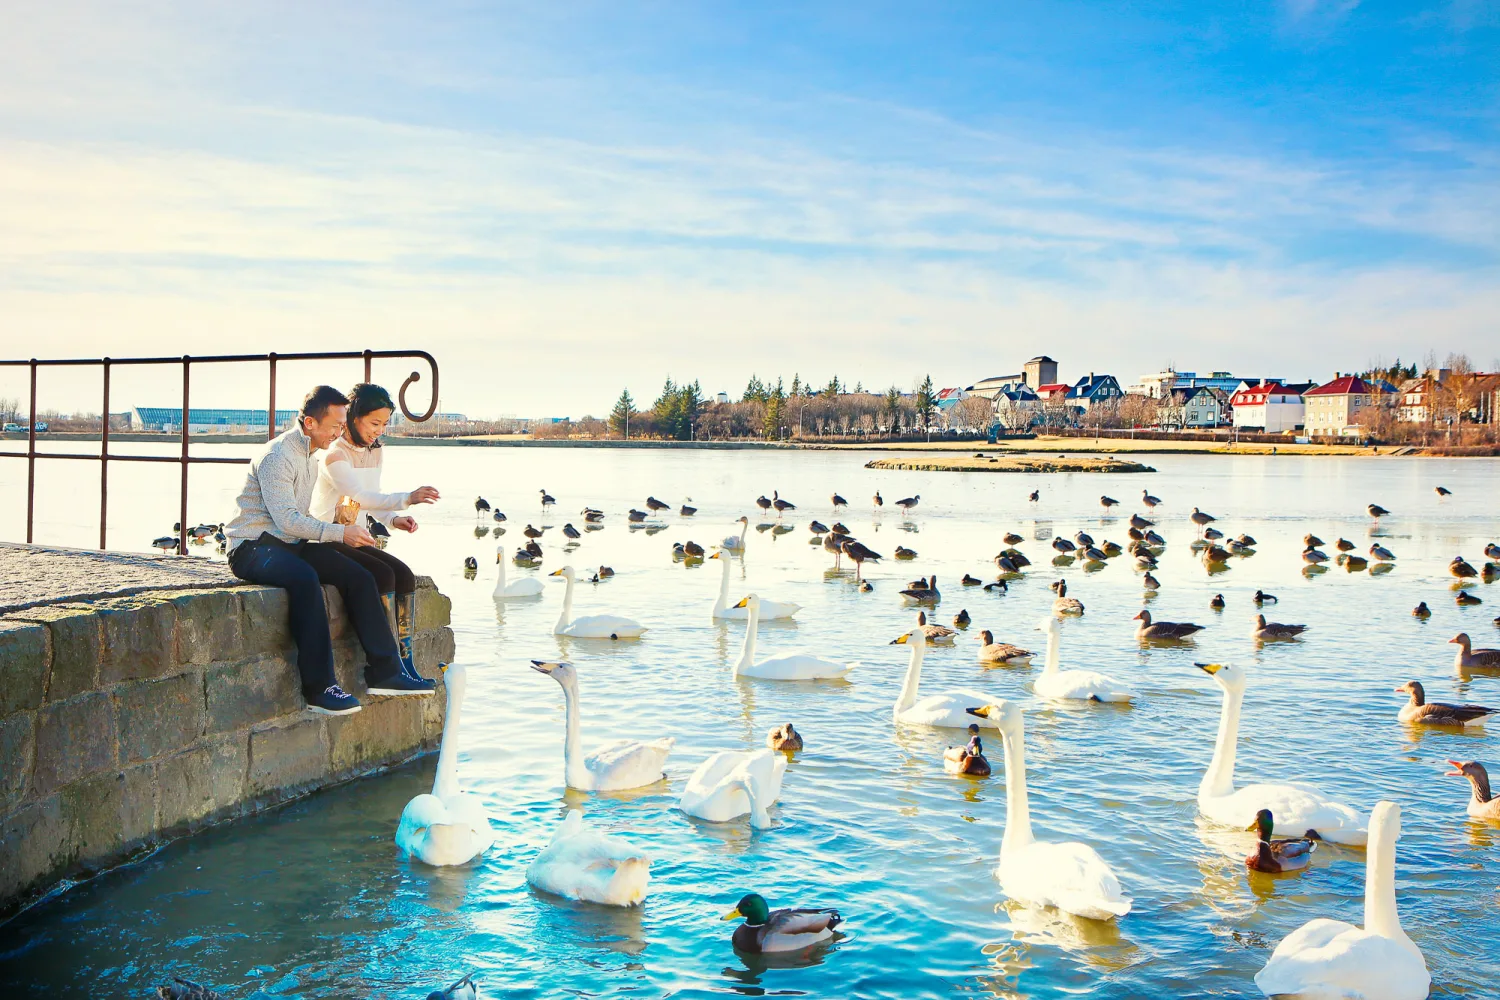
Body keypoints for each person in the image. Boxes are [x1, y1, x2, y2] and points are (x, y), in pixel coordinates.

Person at [224, 385, 434, 715]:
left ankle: (386, 672)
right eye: (335, 425)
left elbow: (297, 522)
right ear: (310, 422)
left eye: (342, 424)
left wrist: (346, 532)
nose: (339, 431)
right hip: (252, 547)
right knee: (305, 579)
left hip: (287, 543)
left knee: (360, 576)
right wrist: (339, 533)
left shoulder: (310, 455)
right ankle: (320, 687)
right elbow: (287, 519)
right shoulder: (278, 457)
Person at [310, 382, 440, 679]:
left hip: (354, 537)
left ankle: (406, 664)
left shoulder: (375, 452)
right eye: (374, 423)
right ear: (355, 418)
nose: (379, 430)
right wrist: (408, 498)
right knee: (382, 575)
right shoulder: (334, 455)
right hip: (326, 536)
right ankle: (386, 667)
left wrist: (394, 519)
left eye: (384, 423)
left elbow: (373, 497)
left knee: (404, 575)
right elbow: (356, 495)